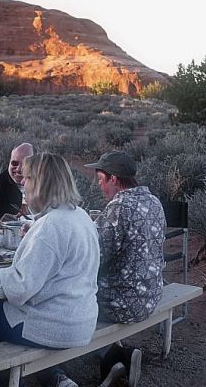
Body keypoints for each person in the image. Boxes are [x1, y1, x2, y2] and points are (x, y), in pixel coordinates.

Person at [0, 153, 100, 387]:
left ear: (42, 183)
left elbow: (19, 288)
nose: (23, 183)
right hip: (81, 317)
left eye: (29, 178)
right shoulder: (79, 216)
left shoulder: (50, 227)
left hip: (56, 324)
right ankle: (55, 379)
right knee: (2, 314)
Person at [84, 150, 166, 387]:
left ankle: (112, 357)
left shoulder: (120, 207)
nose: (100, 187)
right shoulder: (153, 200)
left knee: (70, 301)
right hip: (150, 294)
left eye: (101, 180)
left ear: (114, 179)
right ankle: (118, 357)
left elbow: (94, 256)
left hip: (125, 301)